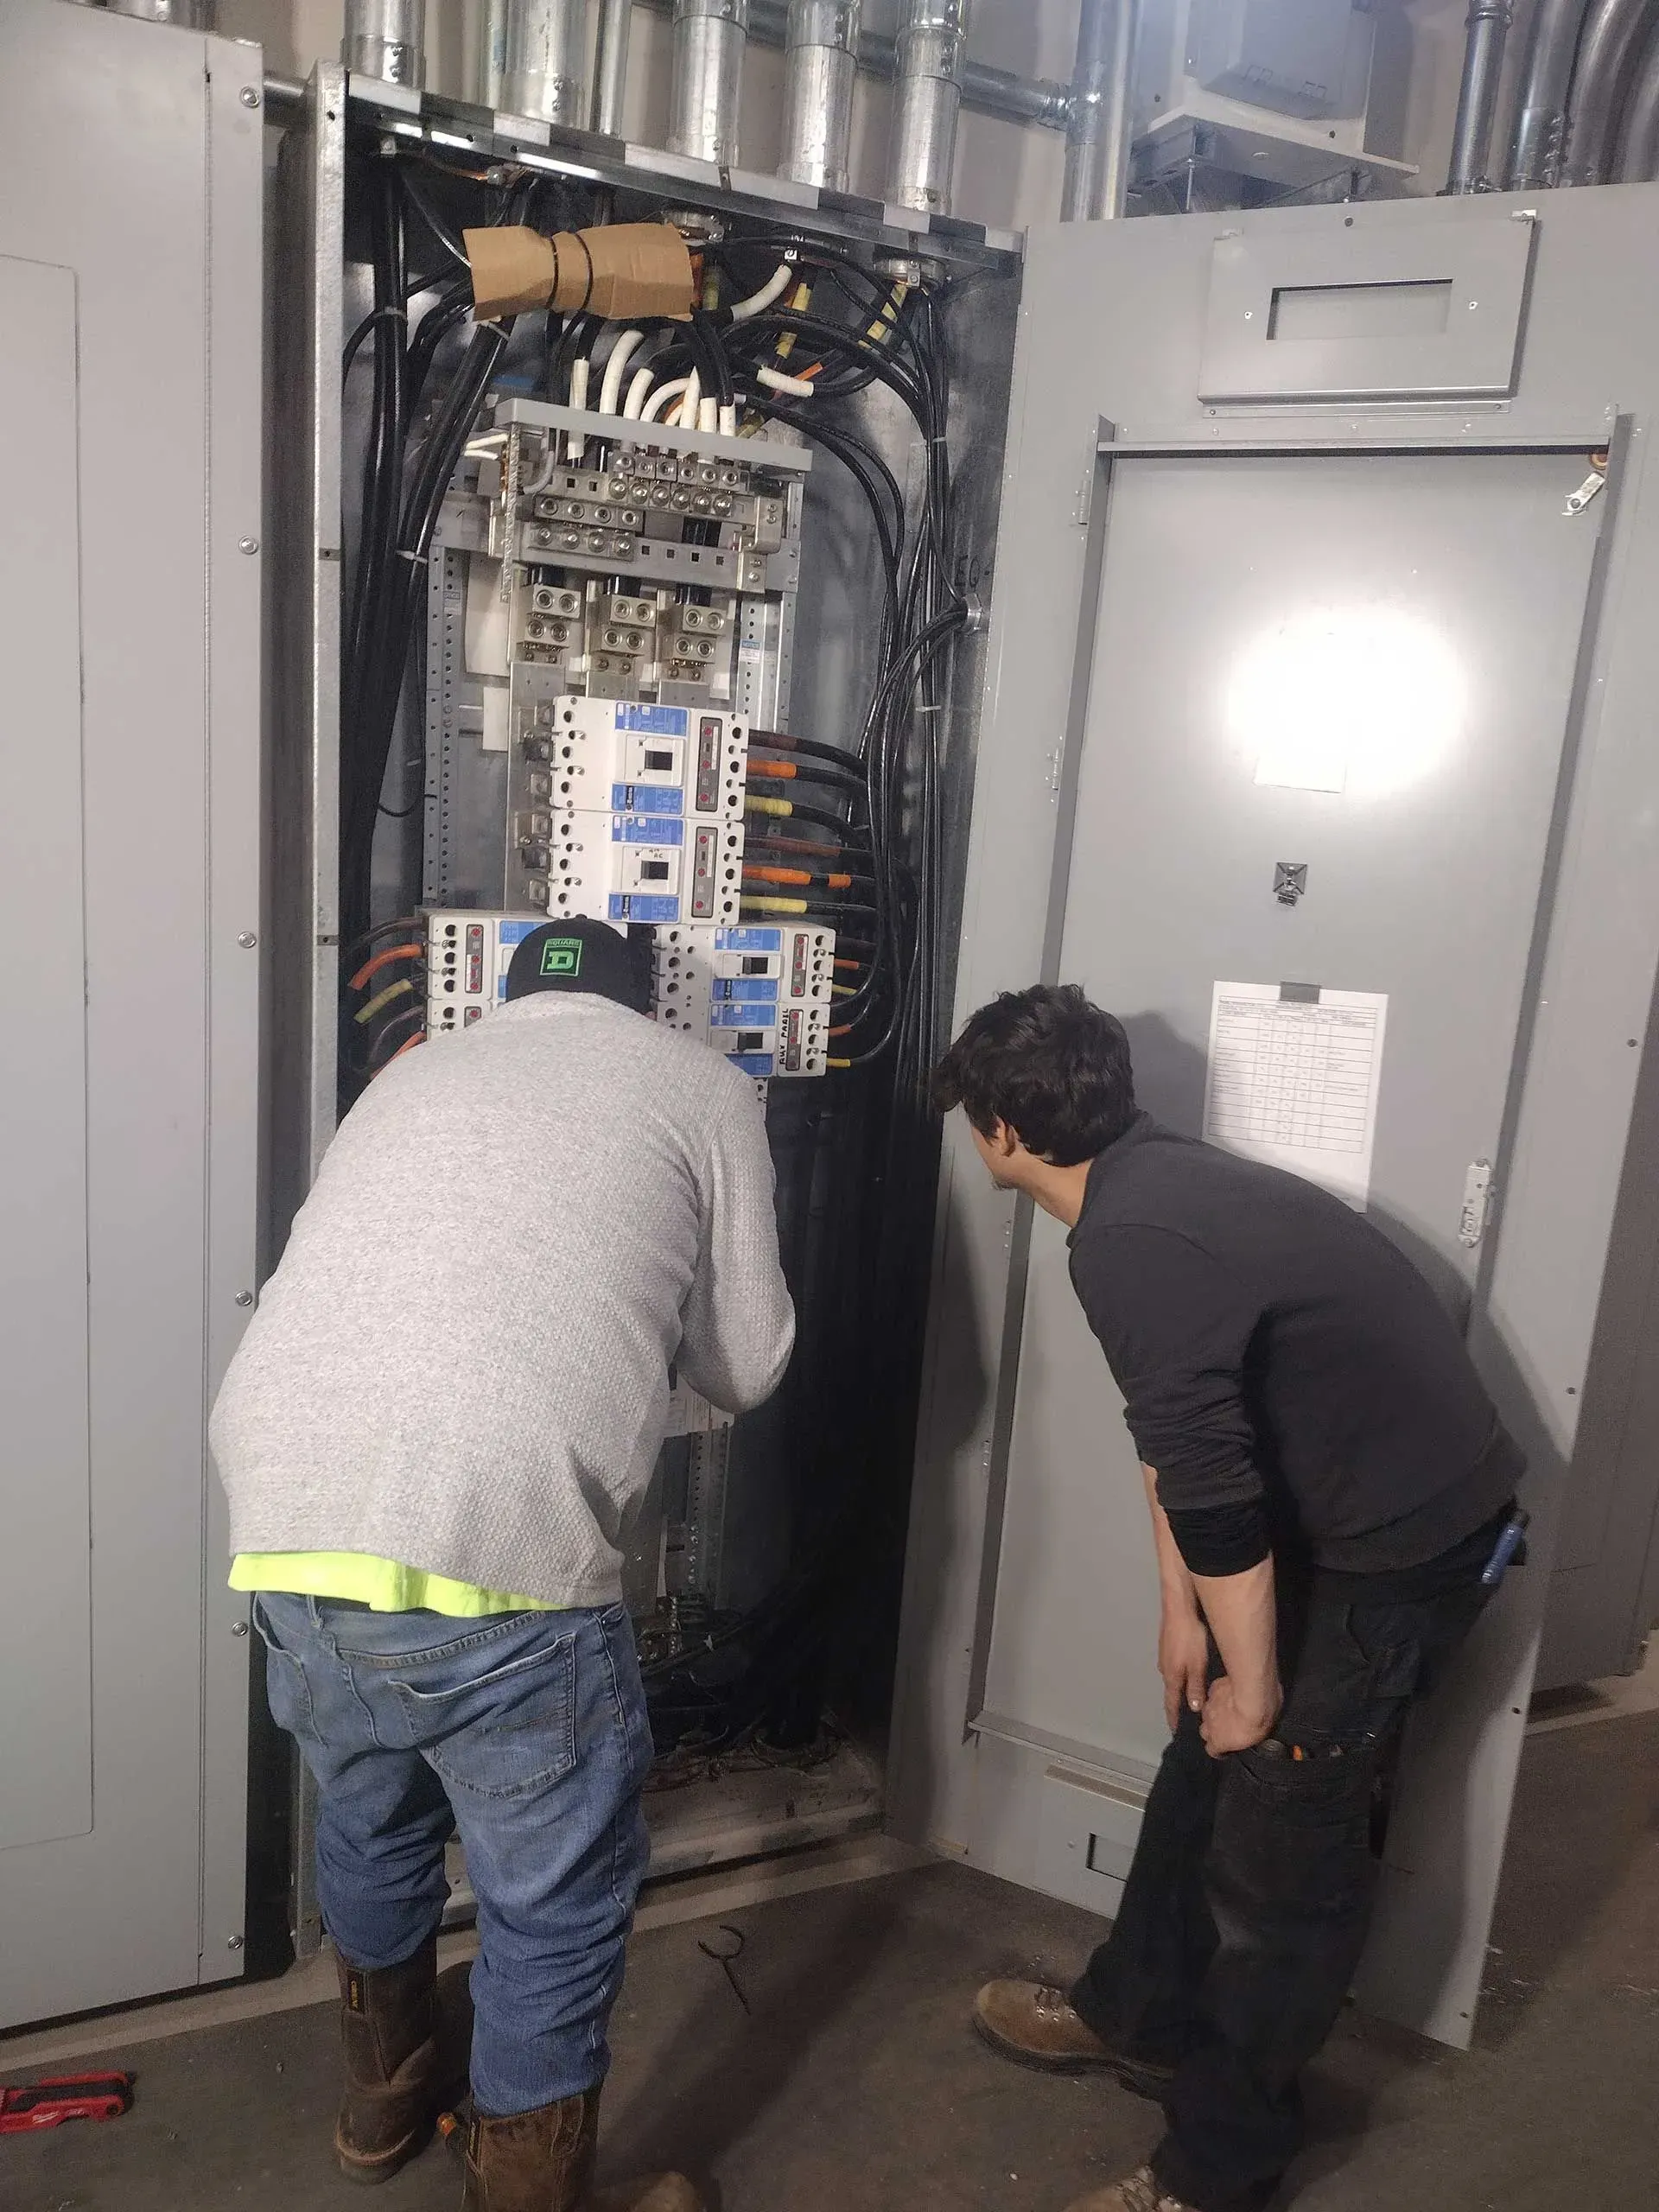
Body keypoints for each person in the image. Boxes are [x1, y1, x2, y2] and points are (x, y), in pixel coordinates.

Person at [211, 918, 794, 2212]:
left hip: (284, 1520)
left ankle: (383, 2103)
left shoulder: (410, 1074)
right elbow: (746, 1364)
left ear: (503, 994)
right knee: (554, 1908)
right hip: (497, 1547)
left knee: (371, 1826)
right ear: (654, 1008)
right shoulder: (703, 1084)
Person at [932, 984, 1525, 2212]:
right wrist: (1183, 1616)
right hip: (1323, 1521)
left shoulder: (1137, 1238)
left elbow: (1206, 1480)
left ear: (997, 1132)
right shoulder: (1147, 1193)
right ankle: (1135, 2012)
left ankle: (1217, 2171)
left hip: (1398, 1552)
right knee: (1205, 1760)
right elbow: (1182, 1438)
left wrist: (1258, 1683)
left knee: (1281, 1859)